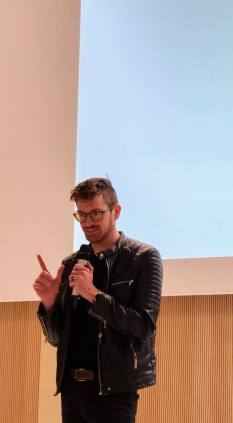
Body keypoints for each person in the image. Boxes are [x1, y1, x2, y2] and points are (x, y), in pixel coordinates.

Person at [33, 177, 163, 423]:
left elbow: (144, 326)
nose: (87, 223)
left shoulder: (142, 258)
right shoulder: (72, 263)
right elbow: (56, 339)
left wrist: (93, 294)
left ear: (116, 211)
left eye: (95, 214)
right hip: (71, 390)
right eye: (81, 216)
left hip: (114, 391)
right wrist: (49, 303)